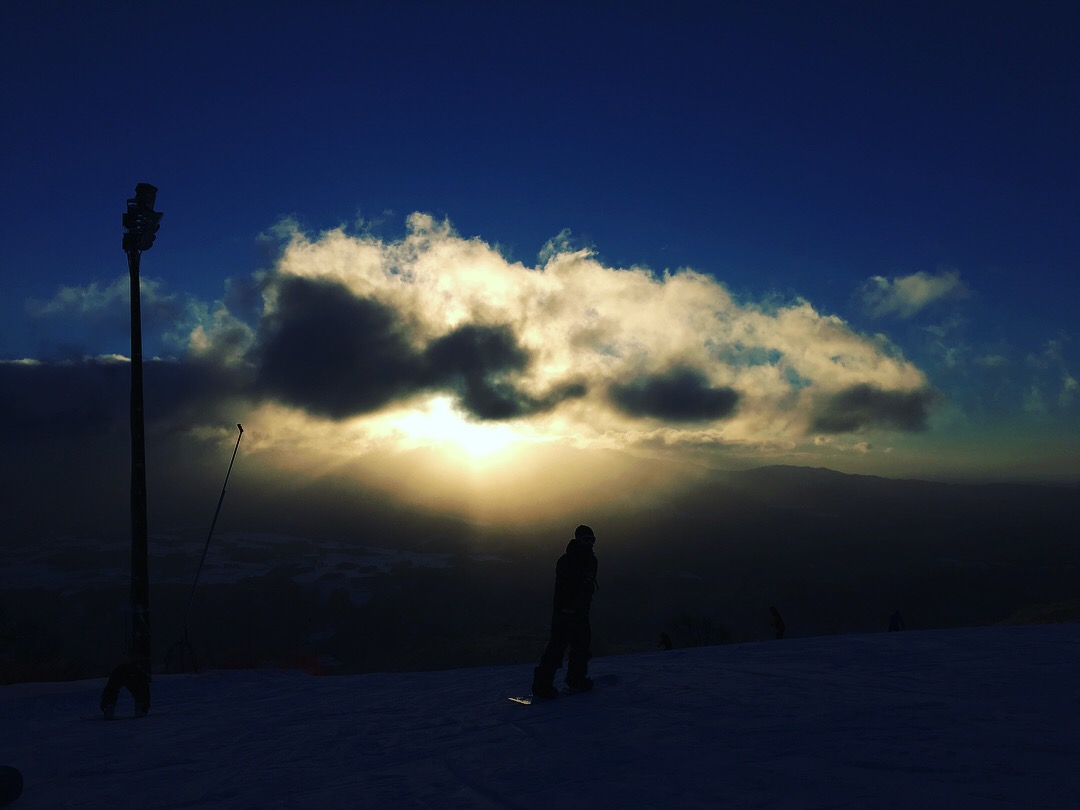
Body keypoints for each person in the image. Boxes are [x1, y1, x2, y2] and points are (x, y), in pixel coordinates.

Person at [532, 524, 599, 699]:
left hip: (581, 612)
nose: (590, 543)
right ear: (577, 539)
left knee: (582, 647)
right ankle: (542, 686)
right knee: (557, 648)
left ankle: (576, 679)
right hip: (565, 612)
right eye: (586, 539)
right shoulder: (566, 561)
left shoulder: (591, 560)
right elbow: (567, 586)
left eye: (592, 540)